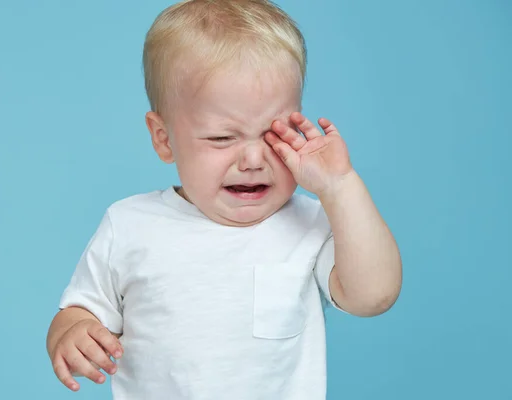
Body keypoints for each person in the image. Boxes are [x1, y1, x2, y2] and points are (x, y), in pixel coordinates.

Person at [46, 0, 402, 398]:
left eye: (273, 134)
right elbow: (81, 309)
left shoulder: (309, 224)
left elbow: (374, 296)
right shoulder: (129, 225)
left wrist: (340, 185)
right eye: (221, 138)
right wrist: (72, 332)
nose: (253, 160)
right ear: (164, 139)